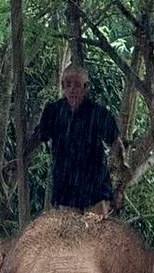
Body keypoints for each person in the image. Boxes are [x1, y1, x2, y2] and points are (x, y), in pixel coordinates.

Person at [21, 65, 127, 215]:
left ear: (86, 87)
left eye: (77, 85)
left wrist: (118, 187)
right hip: (66, 190)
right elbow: (39, 137)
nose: (72, 89)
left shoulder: (98, 114)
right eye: (68, 84)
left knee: (96, 234)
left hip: (95, 190)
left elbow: (116, 145)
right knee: (70, 236)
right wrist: (21, 157)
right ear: (63, 87)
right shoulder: (53, 112)